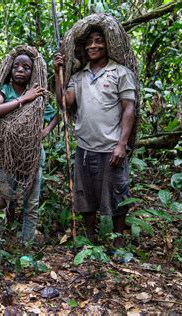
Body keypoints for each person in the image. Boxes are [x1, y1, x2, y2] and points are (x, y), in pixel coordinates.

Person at [54, 28, 136, 248]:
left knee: (117, 194)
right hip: (85, 148)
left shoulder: (120, 73)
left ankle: (118, 243)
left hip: (111, 147)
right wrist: (57, 73)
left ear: (108, 45)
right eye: (89, 42)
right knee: (85, 195)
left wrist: (122, 144)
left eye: (99, 42)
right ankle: (90, 240)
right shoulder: (78, 76)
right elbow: (64, 103)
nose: (93, 46)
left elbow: (129, 109)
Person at [0, 50, 58, 262]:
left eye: (26, 67)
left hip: (33, 155)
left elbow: (54, 116)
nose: (20, 70)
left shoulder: (37, 92)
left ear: (32, 71)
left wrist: (44, 132)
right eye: (17, 66)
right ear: (10, 69)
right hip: (9, 157)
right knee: (0, 202)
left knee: (31, 204)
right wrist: (23, 99)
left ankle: (25, 252)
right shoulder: (4, 90)